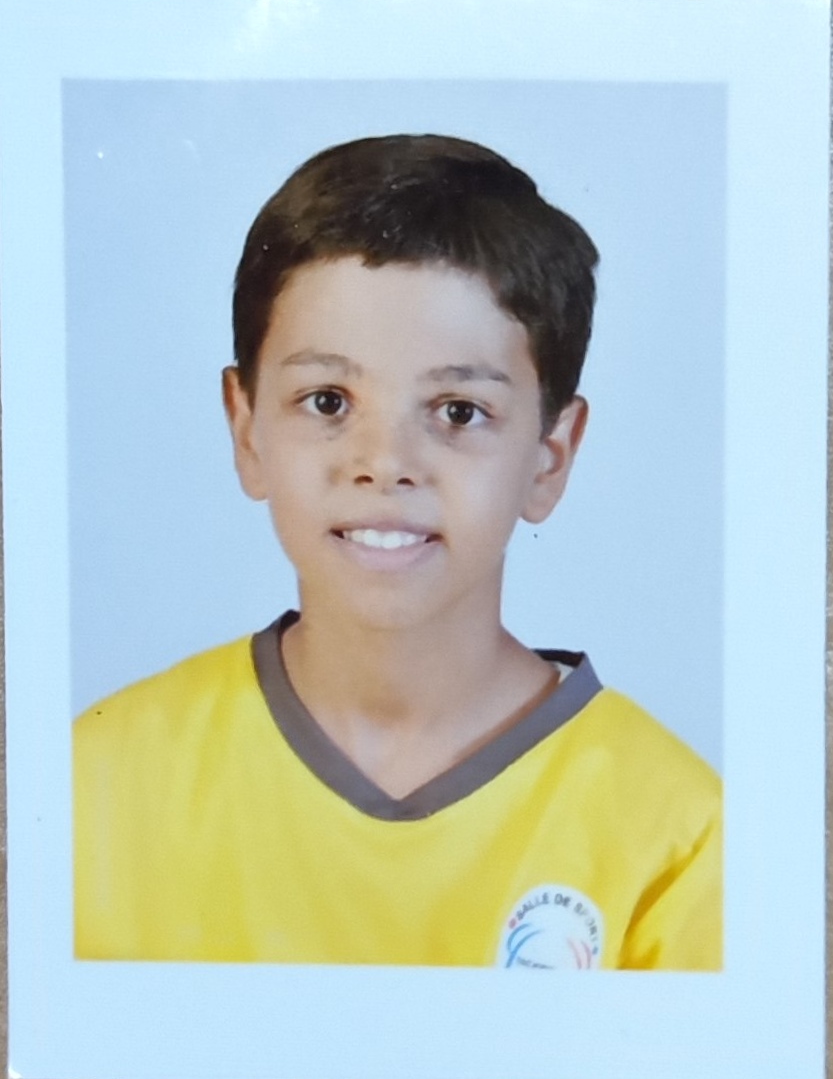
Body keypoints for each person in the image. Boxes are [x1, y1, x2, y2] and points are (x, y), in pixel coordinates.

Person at [74, 134, 721, 969]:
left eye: (457, 411)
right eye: (327, 400)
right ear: (246, 428)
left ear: (549, 455)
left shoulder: (679, 836)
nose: (384, 463)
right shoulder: (93, 783)